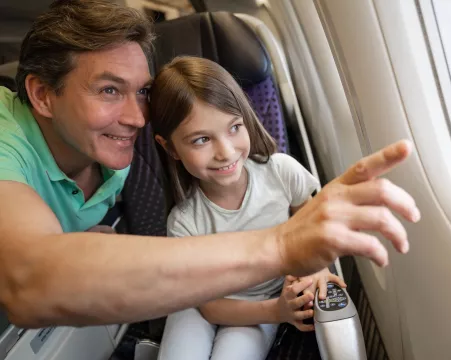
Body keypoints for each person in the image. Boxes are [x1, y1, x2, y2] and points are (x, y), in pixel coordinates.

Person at [0, 0, 420, 330]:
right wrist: (283, 245)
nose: (137, 118)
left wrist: (81, 236)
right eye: (109, 90)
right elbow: (26, 280)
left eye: (142, 91)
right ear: (41, 95)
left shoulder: (106, 143)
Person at [149, 56, 347, 360]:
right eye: (201, 139)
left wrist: (317, 272)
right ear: (171, 147)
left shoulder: (282, 173)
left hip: (264, 304)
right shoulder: (185, 222)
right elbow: (210, 307)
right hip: (202, 305)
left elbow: (313, 236)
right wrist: (277, 311)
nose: (225, 152)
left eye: (234, 127)